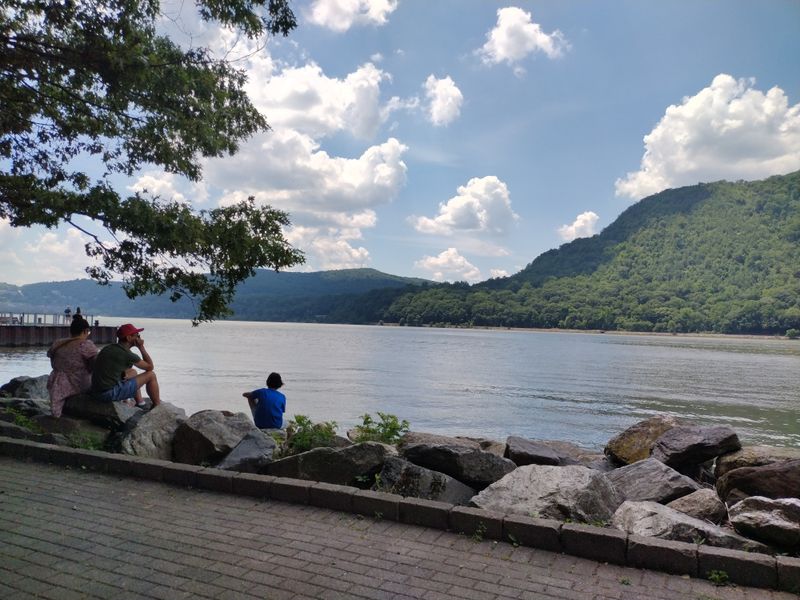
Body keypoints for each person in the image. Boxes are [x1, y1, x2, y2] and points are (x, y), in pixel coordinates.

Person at [91, 323, 161, 408]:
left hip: (96, 391)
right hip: (108, 394)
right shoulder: (127, 354)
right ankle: (157, 406)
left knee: (132, 372)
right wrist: (141, 347)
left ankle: (140, 403)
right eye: (137, 335)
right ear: (128, 338)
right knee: (151, 375)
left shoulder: (109, 348)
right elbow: (150, 367)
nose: (139, 337)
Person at [46, 316, 98, 417]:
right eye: (88, 332)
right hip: (77, 382)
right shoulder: (85, 344)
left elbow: (50, 355)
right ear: (85, 331)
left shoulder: (58, 343)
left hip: (56, 382)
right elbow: (96, 364)